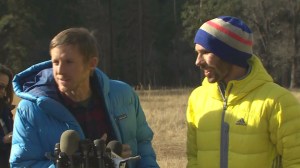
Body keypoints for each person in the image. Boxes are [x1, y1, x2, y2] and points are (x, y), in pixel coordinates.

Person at [10, 28, 159, 168]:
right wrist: (65, 164)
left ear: (91, 64)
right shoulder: (30, 110)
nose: (59, 71)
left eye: (68, 62)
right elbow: (21, 164)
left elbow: (143, 144)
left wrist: (121, 158)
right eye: (55, 62)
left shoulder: (123, 95)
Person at [186, 16, 300, 168]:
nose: (198, 61)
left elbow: (295, 161)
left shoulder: (278, 102)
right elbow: (194, 158)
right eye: (197, 53)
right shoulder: (198, 98)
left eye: (205, 52)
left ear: (229, 55)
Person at [0, 64, 14, 168]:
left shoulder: (5, 110)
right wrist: (4, 140)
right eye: (1, 86)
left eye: (5, 87)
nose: (4, 93)